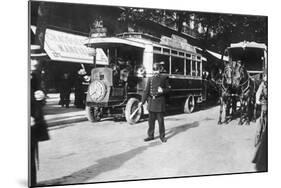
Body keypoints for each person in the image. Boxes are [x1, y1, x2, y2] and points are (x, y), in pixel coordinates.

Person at [139, 62, 171, 143]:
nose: (155, 71)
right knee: (151, 121)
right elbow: (146, 91)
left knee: (160, 121)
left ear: (160, 70)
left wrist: (163, 90)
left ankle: (162, 136)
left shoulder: (164, 78)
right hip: (151, 102)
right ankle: (150, 135)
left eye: (157, 70)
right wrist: (142, 102)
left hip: (159, 103)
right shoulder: (150, 79)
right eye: (154, 70)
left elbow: (169, 89)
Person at [30, 59, 50, 186]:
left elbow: (40, 95)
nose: (34, 66)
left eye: (36, 63)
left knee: (31, 155)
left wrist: (42, 96)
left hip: (34, 122)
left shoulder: (35, 76)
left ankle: (32, 182)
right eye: (31, 62)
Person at [253, 74, 268, 171]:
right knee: (261, 121)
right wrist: (258, 100)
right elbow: (258, 93)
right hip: (265, 103)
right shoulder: (263, 85)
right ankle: (258, 139)